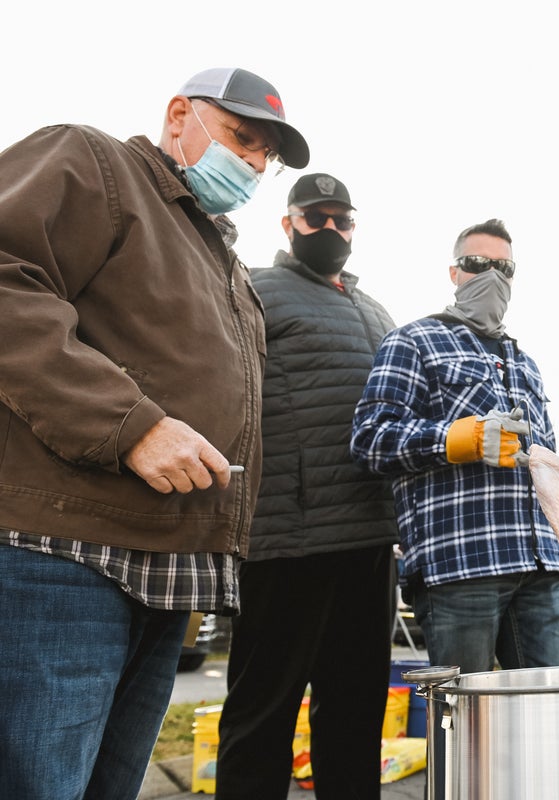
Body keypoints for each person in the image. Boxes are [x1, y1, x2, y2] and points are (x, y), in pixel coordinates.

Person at [0, 67, 307, 799]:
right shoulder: (94, 163)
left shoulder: (220, 254)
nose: (253, 164)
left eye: (265, 155)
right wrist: (131, 426)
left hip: (168, 568)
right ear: (178, 115)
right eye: (241, 137)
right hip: (63, 556)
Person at [351, 218, 559, 797]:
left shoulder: (525, 362)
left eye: (504, 267)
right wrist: (455, 439)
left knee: (552, 727)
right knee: (466, 735)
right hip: (460, 567)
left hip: (539, 566)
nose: (492, 276)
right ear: (454, 272)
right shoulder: (413, 341)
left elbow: (547, 465)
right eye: (478, 265)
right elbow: (370, 439)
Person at [214, 173, 398, 799]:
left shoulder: (376, 311)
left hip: (368, 541)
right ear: (288, 223)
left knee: (355, 711)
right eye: (315, 217)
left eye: (342, 219)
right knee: (263, 710)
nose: (330, 229)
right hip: (284, 541)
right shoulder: (254, 289)